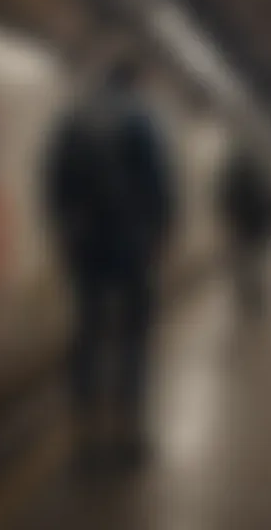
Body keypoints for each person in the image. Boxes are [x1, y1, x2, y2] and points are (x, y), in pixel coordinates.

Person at [44, 52, 174, 468]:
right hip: (130, 246)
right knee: (133, 337)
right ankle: (126, 433)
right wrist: (160, 236)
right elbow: (159, 185)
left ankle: (84, 434)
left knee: (87, 333)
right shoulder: (141, 119)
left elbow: (52, 181)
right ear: (136, 80)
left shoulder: (73, 119)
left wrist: (64, 235)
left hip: (86, 247)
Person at [218, 145, 271, 317]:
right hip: (254, 228)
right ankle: (254, 295)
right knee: (255, 264)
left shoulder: (235, 176)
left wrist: (231, 219)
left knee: (246, 264)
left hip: (244, 227)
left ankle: (248, 295)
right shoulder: (260, 178)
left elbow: (227, 198)